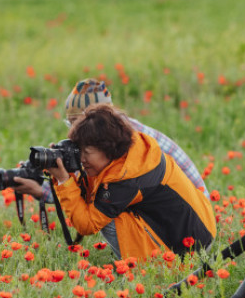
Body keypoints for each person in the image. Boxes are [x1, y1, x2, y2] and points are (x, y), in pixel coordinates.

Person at [14, 78, 208, 258]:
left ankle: (148, 265)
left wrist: (60, 182)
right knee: (107, 208)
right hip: (192, 218)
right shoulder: (128, 140)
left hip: (190, 236)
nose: (74, 136)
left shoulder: (127, 167)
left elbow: (89, 219)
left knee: (109, 218)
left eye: (78, 123)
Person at [45, 104, 216, 261]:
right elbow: (94, 188)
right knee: (106, 207)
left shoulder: (126, 178)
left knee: (109, 219)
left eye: (87, 152)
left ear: (108, 149)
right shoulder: (134, 153)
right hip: (201, 229)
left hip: (191, 248)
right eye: (79, 151)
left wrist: (64, 180)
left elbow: (87, 225)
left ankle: (145, 269)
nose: (82, 159)